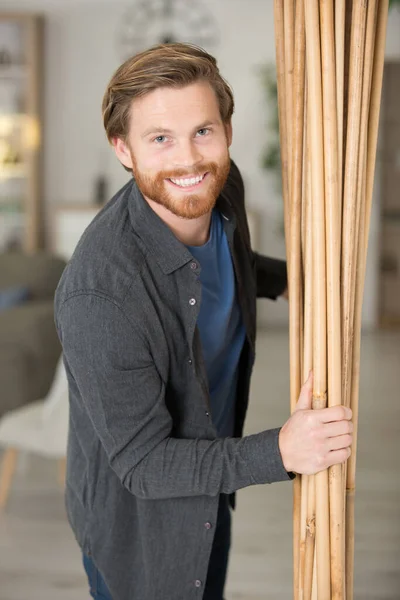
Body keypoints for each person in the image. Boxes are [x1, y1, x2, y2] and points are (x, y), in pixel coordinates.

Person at [54, 43, 353, 600]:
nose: (189, 160)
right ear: (123, 149)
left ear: (227, 130)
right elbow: (144, 465)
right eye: (160, 138)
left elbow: (229, 261)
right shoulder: (100, 294)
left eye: (202, 131)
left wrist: (291, 280)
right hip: (141, 529)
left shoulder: (220, 185)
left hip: (211, 477)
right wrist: (282, 452)